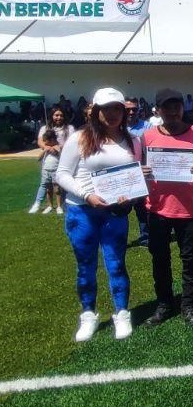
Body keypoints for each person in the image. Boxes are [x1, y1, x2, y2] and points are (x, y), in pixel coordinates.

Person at [55, 88, 140, 341]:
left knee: (116, 264)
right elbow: (61, 174)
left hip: (114, 213)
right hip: (82, 212)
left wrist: (131, 193)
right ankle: (88, 314)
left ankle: (122, 312)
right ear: (96, 111)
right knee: (86, 266)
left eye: (117, 109)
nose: (112, 114)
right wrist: (86, 195)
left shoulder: (132, 140)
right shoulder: (80, 138)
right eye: (107, 109)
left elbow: (132, 176)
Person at [140, 88, 193, 327]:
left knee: (189, 259)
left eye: (176, 106)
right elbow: (137, 169)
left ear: (183, 108)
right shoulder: (147, 137)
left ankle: (189, 305)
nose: (171, 111)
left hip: (187, 210)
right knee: (159, 259)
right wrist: (141, 173)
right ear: (158, 110)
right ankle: (163, 304)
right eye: (166, 107)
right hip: (157, 209)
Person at [29, 106, 75, 214]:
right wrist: (47, 148)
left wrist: (58, 147)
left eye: (61, 115)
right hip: (48, 161)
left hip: (63, 159)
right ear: (52, 116)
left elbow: (72, 143)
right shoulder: (45, 128)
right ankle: (42, 204)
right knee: (46, 185)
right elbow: (40, 141)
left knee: (61, 184)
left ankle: (63, 204)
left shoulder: (69, 128)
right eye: (56, 115)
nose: (59, 117)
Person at [125, 98, 151, 246]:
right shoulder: (116, 127)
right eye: (128, 109)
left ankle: (145, 235)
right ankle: (118, 237)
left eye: (134, 109)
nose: (131, 112)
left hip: (142, 174)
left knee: (142, 207)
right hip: (122, 174)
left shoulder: (147, 127)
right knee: (120, 208)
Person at [36, 130, 62, 214]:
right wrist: (44, 150)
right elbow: (38, 159)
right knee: (48, 189)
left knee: (57, 189)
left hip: (56, 170)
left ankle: (59, 206)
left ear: (51, 140)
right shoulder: (46, 148)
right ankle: (50, 206)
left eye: (45, 141)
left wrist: (56, 149)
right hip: (46, 171)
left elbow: (61, 155)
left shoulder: (58, 147)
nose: (44, 142)